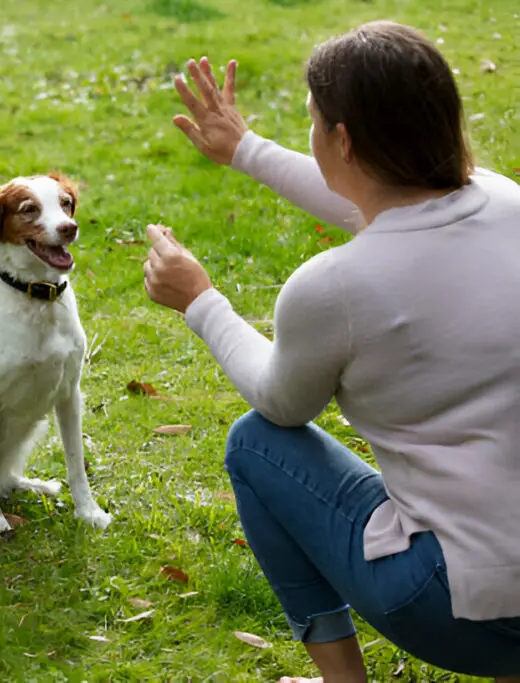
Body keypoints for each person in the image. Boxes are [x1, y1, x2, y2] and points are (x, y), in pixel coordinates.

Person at [142, 20, 520, 683]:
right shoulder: (506, 202)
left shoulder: (336, 288)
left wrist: (199, 300)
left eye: (314, 122)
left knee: (256, 444)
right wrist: (246, 150)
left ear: (342, 140)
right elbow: (391, 206)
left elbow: (280, 402)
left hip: (464, 609)